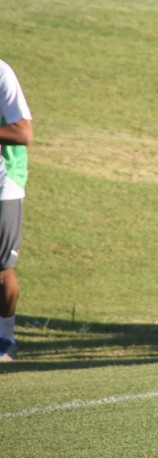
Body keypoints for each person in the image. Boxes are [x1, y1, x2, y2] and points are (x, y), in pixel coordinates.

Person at [0, 59, 32, 362]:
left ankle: (6, 338)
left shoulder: (1, 74)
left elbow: (24, 133)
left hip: (3, 183)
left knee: (1, 269)